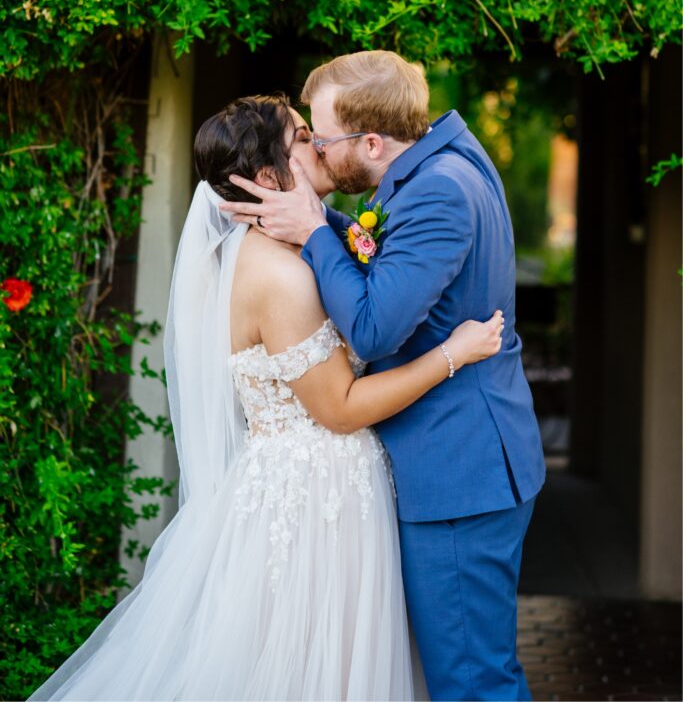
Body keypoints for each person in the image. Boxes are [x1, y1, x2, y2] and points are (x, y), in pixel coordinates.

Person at [28, 93, 504, 702]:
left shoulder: (293, 253)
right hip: (314, 508)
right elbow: (339, 408)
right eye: (304, 138)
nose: (322, 144)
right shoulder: (280, 277)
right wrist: (452, 355)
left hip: (321, 491)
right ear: (266, 178)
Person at [222, 51, 547, 702]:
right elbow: (392, 265)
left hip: (458, 472)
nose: (314, 146)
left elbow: (372, 329)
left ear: (370, 142)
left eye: (321, 135)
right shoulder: (440, 161)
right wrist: (328, 225)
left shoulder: (437, 192)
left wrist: (315, 230)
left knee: (472, 683)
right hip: (461, 461)